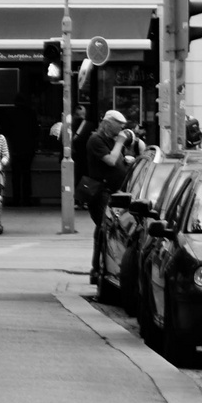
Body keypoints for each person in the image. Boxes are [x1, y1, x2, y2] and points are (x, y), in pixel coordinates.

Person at [84, 110, 137, 283]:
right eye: (119, 126)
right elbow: (110, 160)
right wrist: (121, 142)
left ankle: (100, 268)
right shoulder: (96, 140)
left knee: (105, 229)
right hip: (101, 192)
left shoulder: (111, 140)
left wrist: (127, 159)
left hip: (113, 192)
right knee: (104, 229)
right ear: (108, 123)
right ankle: (98, 269)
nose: (122, 129)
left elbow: (118, 160)